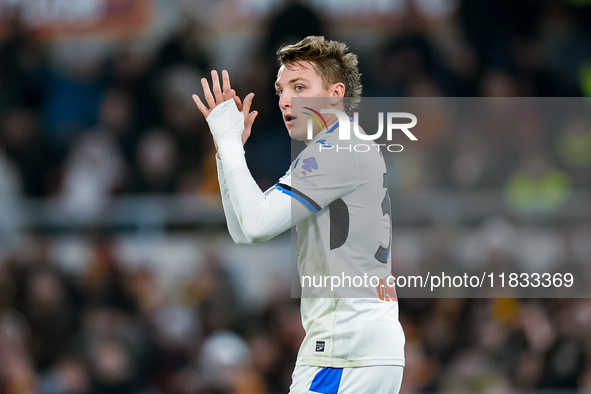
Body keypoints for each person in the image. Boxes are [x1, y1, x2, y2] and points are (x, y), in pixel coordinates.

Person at [193, 36, 405, 394]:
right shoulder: (342, 146)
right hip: (358, 347)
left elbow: (257, 225)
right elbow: (244, 231)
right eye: (280, 90)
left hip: (344, 350)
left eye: (300, 86)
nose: (285, 99)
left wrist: (230, 142)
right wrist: (226, 152)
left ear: (336, 93)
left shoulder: (333, 149)